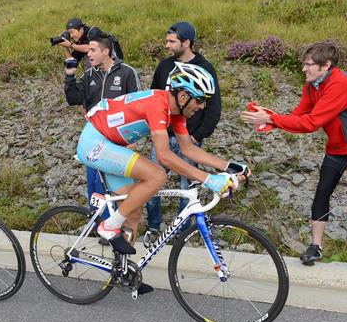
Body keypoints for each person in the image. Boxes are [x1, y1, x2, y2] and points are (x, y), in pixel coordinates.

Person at [76, 62, 249, 264]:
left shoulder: (176, 112)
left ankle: (123, 271)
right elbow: (164, 156)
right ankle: (108, 226)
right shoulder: (157, 105)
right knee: (157, 175)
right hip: (95, 142)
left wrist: (228, 166)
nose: (202, 107)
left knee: (133, 211)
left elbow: (188, 149)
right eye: (201, 100)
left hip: (111, 145)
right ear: (183, 97)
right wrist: (208, 179)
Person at [240, 40, 347, 274]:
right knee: (323, 190)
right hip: (339, 144)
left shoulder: (340, 83)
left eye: (309, 64)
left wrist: (272, 120)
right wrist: (269, 117)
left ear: (326, 64)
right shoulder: (313, 85)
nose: (304, 69)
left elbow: (312, 123)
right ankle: (316, 246)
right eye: (303, 64)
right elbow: (299, 115)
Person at [145, 21, 222, 244]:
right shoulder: (164, 66)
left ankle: (181, 231)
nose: (167, 45)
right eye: (167, 40)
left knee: (187, 187)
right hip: (163, 135)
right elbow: (154, 96)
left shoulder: (205, 68)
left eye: (172, 41)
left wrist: (198, 136)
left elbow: (213, 106)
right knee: (153, 182)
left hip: (189, 137)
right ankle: (152, 226)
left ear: (186, 42)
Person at [65, 33, 141, 219]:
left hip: (120, 141)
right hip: (95, 140)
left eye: (92, 50)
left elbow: (137, 106)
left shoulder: (126, 72)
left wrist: (134, 139)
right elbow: (73, 99)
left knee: (122, 189)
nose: (88, 54)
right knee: (96, 186)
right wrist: (69, 76)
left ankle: (122, 225)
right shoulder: (88, 75)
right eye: (88, 50)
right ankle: (100, 223)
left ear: (106, 51)